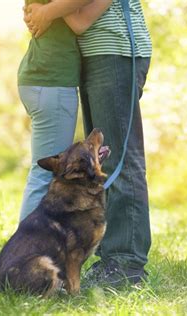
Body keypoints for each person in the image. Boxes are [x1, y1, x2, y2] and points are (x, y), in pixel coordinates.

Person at [26, 0, 152, 286]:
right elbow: (78, 20)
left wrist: (47, 10)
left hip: (116, 51)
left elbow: (80, 21)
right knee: (102, 160)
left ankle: (128, 264)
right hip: (96, 55)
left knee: (121, 158)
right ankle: (112, 258)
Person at [18, 0, 113, 221]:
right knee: (44, 176)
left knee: (43, 174)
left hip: (44, 79)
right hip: (52, 82)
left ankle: (28, 248)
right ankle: (25, 251)